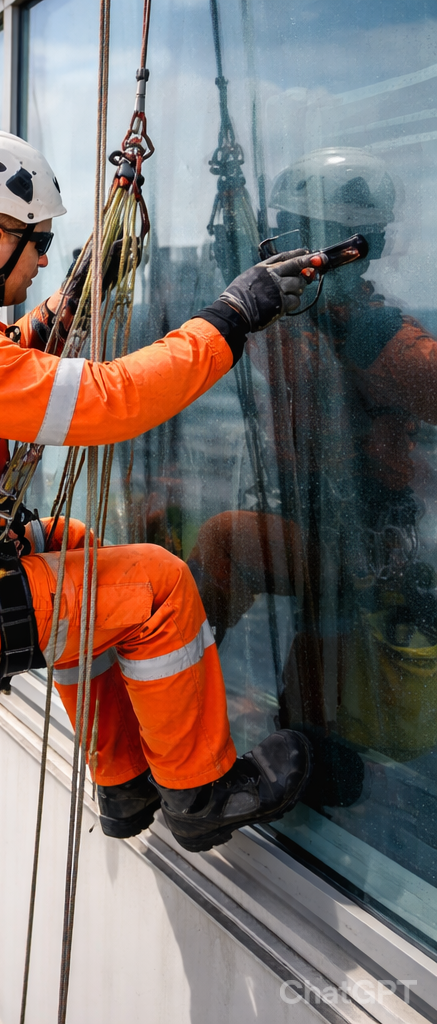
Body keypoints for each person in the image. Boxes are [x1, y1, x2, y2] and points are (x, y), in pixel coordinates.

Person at [0, 127, 315, 853]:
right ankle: (203, 792)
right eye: (37, 242)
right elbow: (110, 399)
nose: (44, 258)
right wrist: (232, 316)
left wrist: (67, 303)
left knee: (75, 546)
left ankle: (122, 778)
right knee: (160, 587)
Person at [187, 148, 437, 777]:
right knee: (305, 616)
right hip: (326, 528)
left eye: (298, 238)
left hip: (362, 544)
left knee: (228, 544)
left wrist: (356, 326)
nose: (285, 252)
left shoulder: (374, 332)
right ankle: (307, 741)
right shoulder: (299, 318)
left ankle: (193, 708)